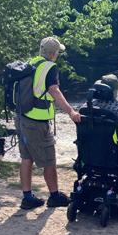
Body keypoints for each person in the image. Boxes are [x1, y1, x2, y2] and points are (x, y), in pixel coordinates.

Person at [16, 37, 81, 210]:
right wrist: (71, 112)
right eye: (58, 52)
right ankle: (54, 196)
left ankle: (27, 197)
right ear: (54, 53)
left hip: (22, 117)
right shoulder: (50, 67)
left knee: (26, 158)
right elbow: (54, 91)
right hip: (37, 121)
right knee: (49, 159)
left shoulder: (31, 63)